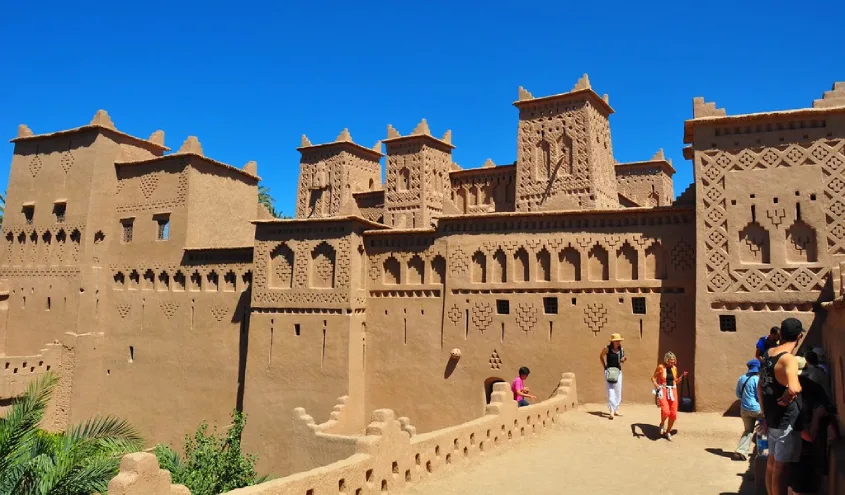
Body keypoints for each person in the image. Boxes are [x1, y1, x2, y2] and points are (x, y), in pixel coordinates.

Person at [758, 318, 804, 495]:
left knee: (772, 462)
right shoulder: (788, 359)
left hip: (771, 418)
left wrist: (764, 414)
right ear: (799, 336)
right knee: (781, 469)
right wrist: (788, 396)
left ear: (781, 334)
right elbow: (794, 388)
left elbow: (760, 387)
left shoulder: (768, 353)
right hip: (786, 421)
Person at [651, 351, 687, 440]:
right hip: (663, 390)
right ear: (666, 360)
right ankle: (662, 423)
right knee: (666, 411)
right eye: (671, 361)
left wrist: (681, 378)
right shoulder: (661, 367)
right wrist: (657, 385)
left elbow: (675, 380)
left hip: (673, 390)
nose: (673, 363)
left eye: (673, 361)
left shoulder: (674, 368)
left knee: (673, 413)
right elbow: (653, 378)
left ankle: (668, 432)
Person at [732, 359, 762, 460]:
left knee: (748, 430)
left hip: (744, 409)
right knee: (765, 428)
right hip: (757, 409)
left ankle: (741, 451)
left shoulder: (742, 378)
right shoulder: (757, 379)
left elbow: (738, 394)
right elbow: (760, 396)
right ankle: (764, 452)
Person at [599, 333, 626, 419]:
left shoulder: (621, 349)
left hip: (618, 372)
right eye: (616, 341)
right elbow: (601, 356)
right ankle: (611, 411)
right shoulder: (607, 349)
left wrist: (623, 360)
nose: (618, 342)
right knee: (610, 391)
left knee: (618, 392)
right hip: (609, 372)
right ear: (612, 342)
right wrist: (605, 367)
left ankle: (616, 409)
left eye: (619, 341)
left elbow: (621, 361)